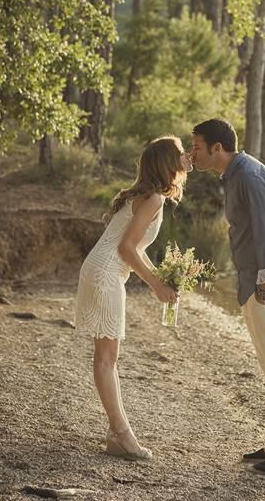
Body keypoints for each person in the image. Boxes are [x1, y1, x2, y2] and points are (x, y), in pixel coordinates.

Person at [190, 118, 265, 475]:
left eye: (196, 146)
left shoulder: (251, 176)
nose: (192, 152)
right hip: (256, 285)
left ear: (217, 148)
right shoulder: (235, 175)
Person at [74, 135, 191, 461]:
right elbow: (126, 249)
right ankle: (122, 434)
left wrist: (164, 280)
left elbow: (134, 248)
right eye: (182, 153)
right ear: (169, 162)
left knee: (106, 356)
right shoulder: (153, 198)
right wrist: (156, 286)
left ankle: (116, 433)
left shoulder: (148, 195)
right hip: (106, 272)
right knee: (107, 358)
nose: (187, 157)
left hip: (102, 268)